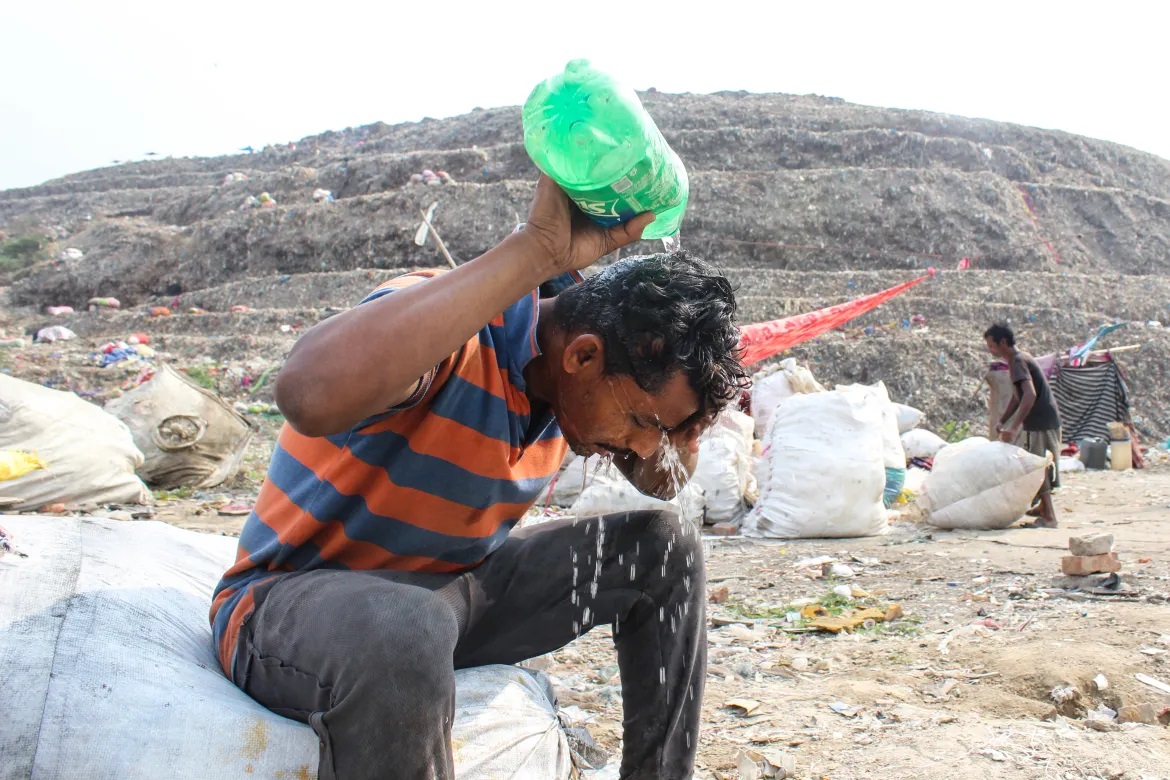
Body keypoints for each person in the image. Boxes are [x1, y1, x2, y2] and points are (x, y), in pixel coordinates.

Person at [210, 174, 750, 780]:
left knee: (666, 547)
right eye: (641, 421)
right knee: (405, 627)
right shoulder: (451, 329)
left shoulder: (582, 382)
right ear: (582, 357)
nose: (646, 446)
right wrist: (533, 250)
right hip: (298, 609)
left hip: (451, 595)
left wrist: (686, 424)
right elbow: (305, 393)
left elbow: (663, 485)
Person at [984, 323, 1063, 527]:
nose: (990, 350)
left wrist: (1013, 427)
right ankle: (1043, 508)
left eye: (991, 345)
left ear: (1003, 342)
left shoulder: (1018, 361)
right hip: (1044, 420)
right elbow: (1018, 397)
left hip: (1039, 422)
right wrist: (1004, 419)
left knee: (1037, 466)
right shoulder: (1019, 359)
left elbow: (1030, 395)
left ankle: (1050, 517)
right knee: (1037, 464)